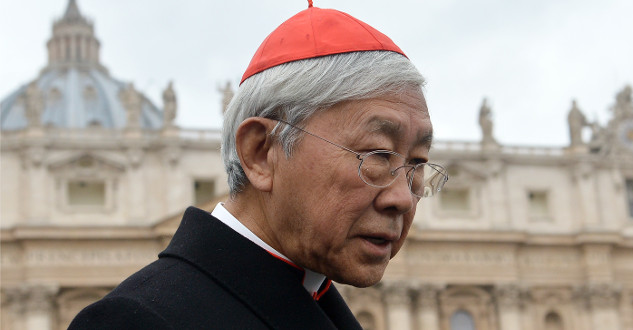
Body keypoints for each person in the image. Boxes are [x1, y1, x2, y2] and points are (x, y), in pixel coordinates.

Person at [69, 2, 448, 329]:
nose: (403, 198)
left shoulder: (320, 300)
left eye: (418, 163)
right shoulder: (135, 324)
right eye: (378, 155)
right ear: (261, 153)